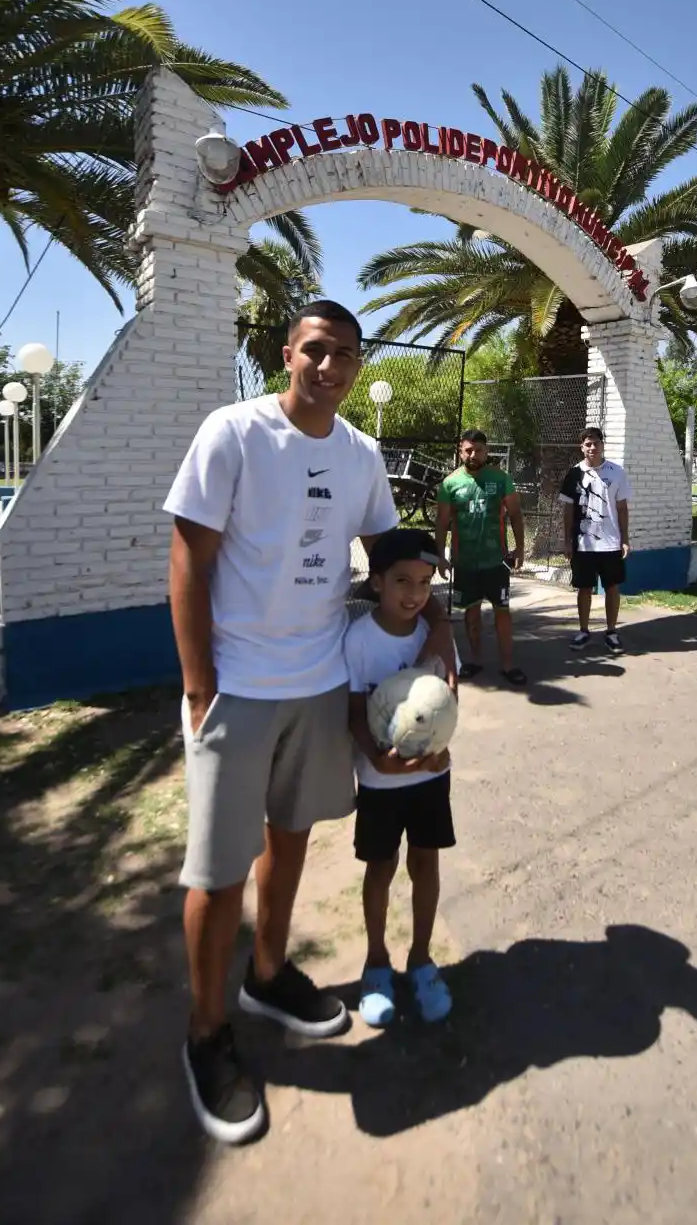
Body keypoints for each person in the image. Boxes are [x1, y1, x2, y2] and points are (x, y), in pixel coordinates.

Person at [164, 298, 457, 1144]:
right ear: (286, 352)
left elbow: (392, 560)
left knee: (290, 837)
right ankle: (207, 1031)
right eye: (316, 351)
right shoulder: (235, 432)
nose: (331, 368)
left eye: (346, 355)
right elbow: (188, 555)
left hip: (321, 682)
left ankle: (266, 972)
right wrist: (197, 685)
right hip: (237, 689)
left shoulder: (362, 455)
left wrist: (434, 620)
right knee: (218, 873)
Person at [345, 528, 455, 1029]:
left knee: (425, 865)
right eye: (402, 581)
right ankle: (375, 964)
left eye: (425, 583)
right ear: (376, 583)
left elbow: (447, 706)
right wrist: (377, 759)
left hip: (430, 779)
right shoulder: (358, 641)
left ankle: (422, 960)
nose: (414, 594)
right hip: (380, 782)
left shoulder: (430, 639)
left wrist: (438, 751)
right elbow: (351, 713)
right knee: (381, 868)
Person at [436, 429, 527, 686]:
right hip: (464, 562)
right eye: (468, 450)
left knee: (502, 612)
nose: (473, 455)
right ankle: (475, 661)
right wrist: (440, 556)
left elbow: (516, 515)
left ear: (486, 451)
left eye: (478, 450)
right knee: (471, 613)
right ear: (460, 450)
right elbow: (442, 523)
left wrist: (519, 549)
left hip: (495, 562)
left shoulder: (500, 479)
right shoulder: (450, 483)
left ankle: (508, 664)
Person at [559, 426, 632, 653]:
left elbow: (622, 509)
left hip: (610, 543)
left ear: (602, 444)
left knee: (612, 587)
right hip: (583, 544)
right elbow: (568, 510)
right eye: (587, 444)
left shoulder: (617, 472)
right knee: (584, 588)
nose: (592, 447)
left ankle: (611, 632)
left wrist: (625, 538)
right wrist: (568, 540)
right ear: (582, 448)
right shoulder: (574, 474)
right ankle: (583, 630)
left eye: (596, 443)